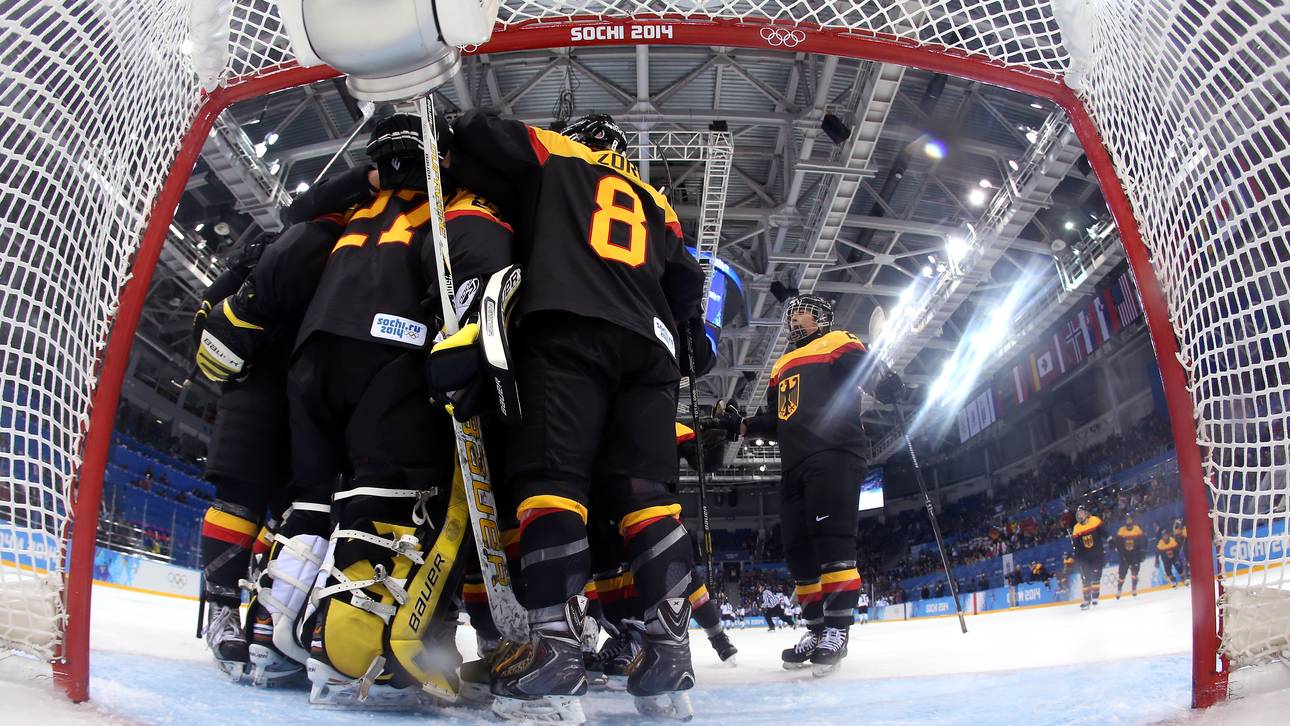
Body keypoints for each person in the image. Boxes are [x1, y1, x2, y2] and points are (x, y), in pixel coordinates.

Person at [450, 111, 710, 723]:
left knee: (552, 483)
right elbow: (688, 284)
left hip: (569, 323)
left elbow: (478, 130)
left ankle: (557, 653)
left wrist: (445, 121)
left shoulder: (556, 151)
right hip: (651, 350)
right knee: (648, 499)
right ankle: (670, 653)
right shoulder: (655, 199)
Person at [742, 294, 902, 676]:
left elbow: (869, 377)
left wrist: (886, 384)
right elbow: (777, 419)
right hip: (794, 465)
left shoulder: (839, 342)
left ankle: (837, 631)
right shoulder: (780, 365)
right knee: (797, 552)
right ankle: (815, 630)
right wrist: (742, 425)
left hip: (835, 453)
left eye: (804, 313)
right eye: (793, 314)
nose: (796, 319)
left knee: (832, 543)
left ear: (823, 319)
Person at [1071, 505, 1107, 609]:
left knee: (1096, 576)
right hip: (1085, 557)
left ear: (1086, 513)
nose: (1080, 515)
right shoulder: (1076, 528)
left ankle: (1095, 597)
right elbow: (1076, 544)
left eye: (1081, 513)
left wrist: (1109, 539)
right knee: (1085, 579)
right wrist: (1077, 554)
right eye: (1078, 514)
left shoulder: (1094, 520)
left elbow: (1104, 532)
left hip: (1097, 554)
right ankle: (1086, 600)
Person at [1114, 513, 1147, 598]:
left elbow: (1143, 540)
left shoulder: (1137, 529)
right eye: (1127, 519)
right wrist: (1121, 555)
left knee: (1135, 573)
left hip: (1135, 555)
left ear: (1132, 520)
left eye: (1130, 519)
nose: (1128, 520)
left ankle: (1134, 588)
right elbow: (1118, 543)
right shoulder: (1121, 530)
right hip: (1125, 555)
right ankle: (1119, 590)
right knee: (1121, 575)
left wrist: (1143, 552)